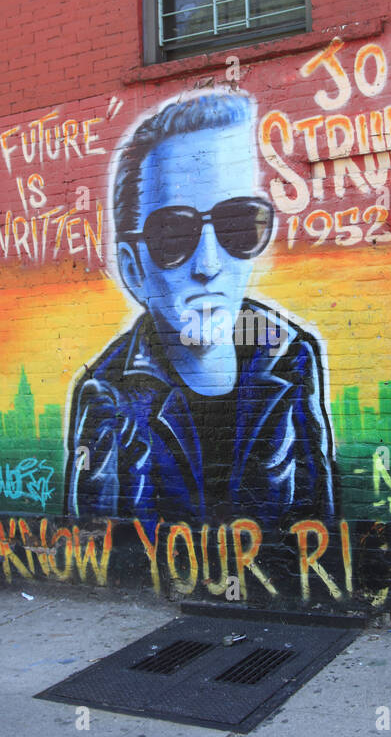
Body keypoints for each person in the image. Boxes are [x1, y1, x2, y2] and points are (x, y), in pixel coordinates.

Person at [64, 91, 337, 535]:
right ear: (134, 268)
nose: (209, 264)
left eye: (238, 225)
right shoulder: (110, 398)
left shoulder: (290, 357)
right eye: (173, 233)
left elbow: (319, 533)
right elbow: (103, 555)